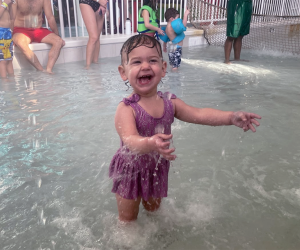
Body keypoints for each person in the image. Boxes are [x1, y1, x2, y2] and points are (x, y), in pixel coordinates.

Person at [109, 34, 261, 222]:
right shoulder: (126, 108)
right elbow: (130, 140)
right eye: (136, 62)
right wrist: (149, 142)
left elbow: (199, 114)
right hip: (130, 171)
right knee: (128, 219)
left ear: (163, 68)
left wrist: (230, 117)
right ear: (123, 72)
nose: (146, 66)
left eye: (153, 60)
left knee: (154, 214)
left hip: (156, 168)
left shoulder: (170, 103)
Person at [10, 0, 65, 74]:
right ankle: (41, 70)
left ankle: (49, 70)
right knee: (21, 44)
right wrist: (9, 36)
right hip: (20, 30)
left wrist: (57, 35)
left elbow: (50, 17)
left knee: (58, 41)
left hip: (38, 30)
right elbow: (11, 19)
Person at [80, 0, 107, 69]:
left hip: (100, 5)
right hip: (87, 2)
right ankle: (87, 65)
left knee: (97, 37)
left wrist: (103, 5)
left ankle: (95, 61)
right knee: (93, 37)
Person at [0, 0, 14, 79]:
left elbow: (12, 18)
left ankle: (12, 80)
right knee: (3, 61)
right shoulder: (4, 3)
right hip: (0, 33)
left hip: (8, 33)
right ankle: (4, 81)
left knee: (9, 59)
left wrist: (10, 5)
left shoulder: (4, 2)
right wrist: (5, 3)